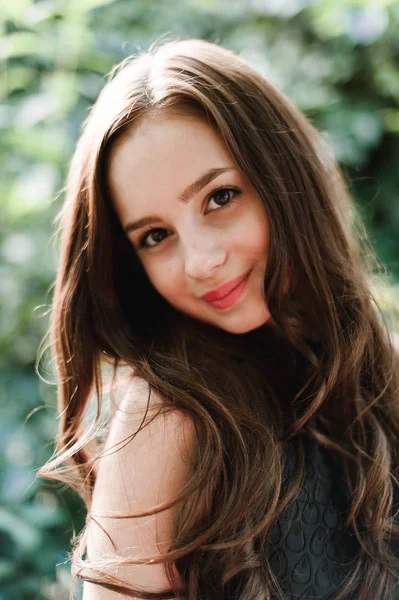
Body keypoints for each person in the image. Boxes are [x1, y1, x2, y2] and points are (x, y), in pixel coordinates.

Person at [37, 38, 399, 600]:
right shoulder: (167, 418)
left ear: (285, 178)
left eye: (220, 196)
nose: (202, 261)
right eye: (155, 237)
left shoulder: (388, 373)